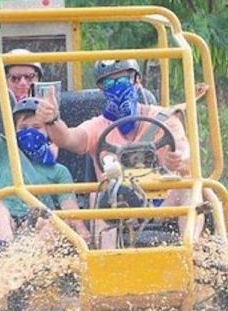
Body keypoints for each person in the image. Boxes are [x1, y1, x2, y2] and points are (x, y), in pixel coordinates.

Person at [36, 58, 194, 246]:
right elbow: (67, 138)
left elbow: (186, 156)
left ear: (137, 81)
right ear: (102, 89)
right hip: (117, 206)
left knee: (192, 189)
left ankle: (192, 252)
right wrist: (52, 119)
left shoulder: (165, 119)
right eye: (110, 83)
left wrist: (178, 160)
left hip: (162, 204)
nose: (117, 88)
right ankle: (107, 262)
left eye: (122, 81)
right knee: (97, 195)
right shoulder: (98, 126)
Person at [0, 58, 88, 246]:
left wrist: (83, 233)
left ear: (48, 131)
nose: (30, 132)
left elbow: (71, 212)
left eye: (36, 127)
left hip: (40, 225)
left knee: (55, 221)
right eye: (24, 128)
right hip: (5, 222)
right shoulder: (1, 150)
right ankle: (6, 257)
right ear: (14, 131)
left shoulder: (58, 171)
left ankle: (26, 262)